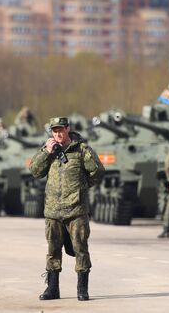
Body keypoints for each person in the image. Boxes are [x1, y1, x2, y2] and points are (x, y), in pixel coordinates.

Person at [29, 117, 105, 301]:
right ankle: (52, 289)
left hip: (76, 211)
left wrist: (82, 187)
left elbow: (98, 171)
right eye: (55, 131)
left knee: (80, 249)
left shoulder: (81, 150)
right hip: (53, 211)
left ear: (68, 129)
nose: (58, 133)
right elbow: (35, 171)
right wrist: (46, 152)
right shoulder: (49, 151)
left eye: (61, 130)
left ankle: (82, 289)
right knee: (53, 251)